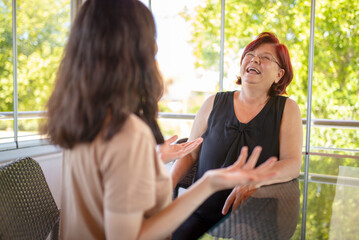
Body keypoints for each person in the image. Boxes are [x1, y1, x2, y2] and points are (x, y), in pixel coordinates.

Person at [41, 1, 278, 239]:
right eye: (149, 39)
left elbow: (102, 189)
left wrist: (152, 159)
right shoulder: (127, 133)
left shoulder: (83, 119)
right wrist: (208, 183)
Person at [170, 32, 303, 239]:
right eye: (250, 54)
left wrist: (254, 180)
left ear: (279, 74)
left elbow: (293, 163)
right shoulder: (213, 102)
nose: (255, 59)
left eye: (266, 57)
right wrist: (167, 184)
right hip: (200, 209)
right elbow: (190, 154)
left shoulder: (287, 109)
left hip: (253, 216)